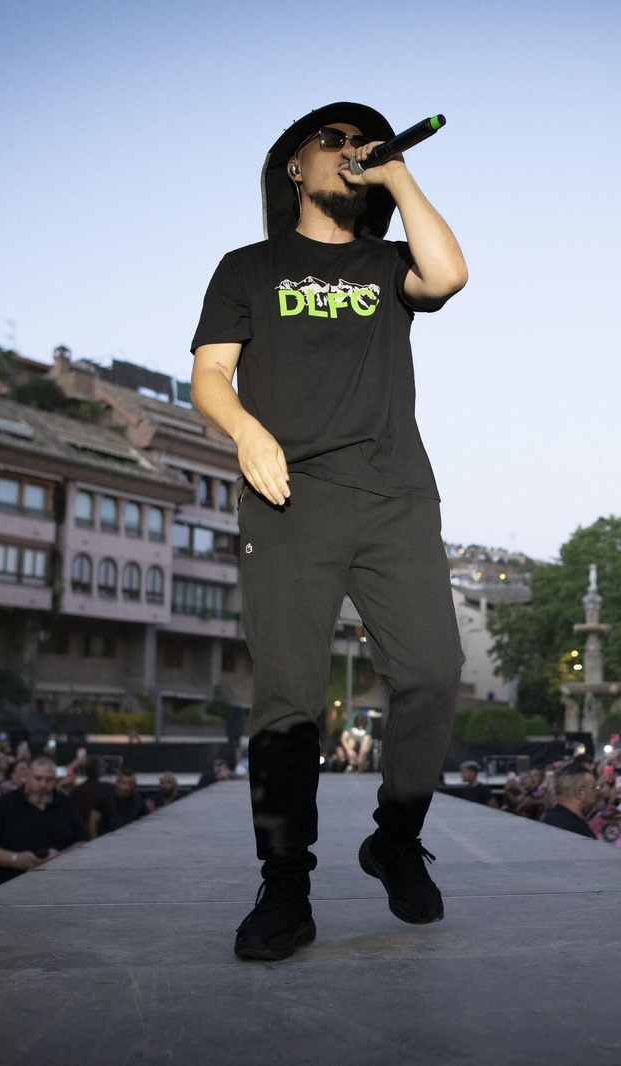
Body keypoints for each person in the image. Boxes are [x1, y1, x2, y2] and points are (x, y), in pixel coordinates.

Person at [190, 101, 468, 961]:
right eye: (334, 140)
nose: (350, 150)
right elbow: (208, 377)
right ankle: (285, 888)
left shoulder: (390, 263)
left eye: (363, 141)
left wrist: (398, 173)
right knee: (286, 702)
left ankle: (394, 836)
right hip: (288, 499)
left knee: (431, 672)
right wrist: (247, 431)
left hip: (394, 496)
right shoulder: (248, 266)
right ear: (294, 168)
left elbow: (449, 275)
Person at [0, 757, 86, 893]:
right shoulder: (5, 805)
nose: (43, 784)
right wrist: (15, 859)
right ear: (27, 777)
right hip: (9, 888)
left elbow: (83, 841)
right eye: (38, 778)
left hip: (55, 888)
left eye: (49, 780)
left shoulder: (65, 804)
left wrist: (60, 857)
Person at [90, 768, 154, 838]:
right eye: (123, 783)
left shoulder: (140, 803)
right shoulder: (105, 800)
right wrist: (94, 842)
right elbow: (93, 821)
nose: (127, 787)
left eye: (130, 784)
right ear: (117, 782)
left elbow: (146, 825)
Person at [541, 765, 598, 839]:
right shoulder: (575, 832)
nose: (596, 793)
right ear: (580, 793)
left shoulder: (550, 819)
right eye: (593, 788)